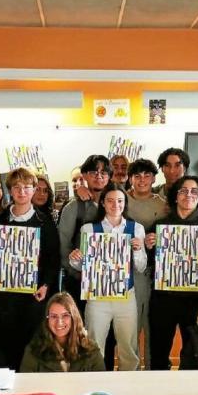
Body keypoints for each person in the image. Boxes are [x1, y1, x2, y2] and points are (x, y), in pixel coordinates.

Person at [0, 168, 60, 370]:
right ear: (9, 190)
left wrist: (46, 285)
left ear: (34, 189)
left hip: (33, 295)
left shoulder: (45, 222)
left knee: (32, 345)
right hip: (4, 297)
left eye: (27, 187)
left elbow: (54, 259)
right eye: (16, 187)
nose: (21, 192)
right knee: (6, 345)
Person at [146, 175, 198, 370]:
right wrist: (147, 246)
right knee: (159, 351)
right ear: (175, 196)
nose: (189, 195)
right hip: (163, 298)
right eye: (184, 191)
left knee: (192, 352)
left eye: (194, 191)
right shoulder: (160, 225)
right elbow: (147, 263)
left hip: (196, 299)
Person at [69, 184, 146, 371]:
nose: (115, 205)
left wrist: (137, 251)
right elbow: (83, 265)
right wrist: (75, 259)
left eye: (120, 201)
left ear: (125, 203)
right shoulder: (89, 229)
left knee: (129, 348)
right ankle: (94, 389)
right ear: (103, 203)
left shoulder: (136, 229)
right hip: (97, 297)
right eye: (110, 200)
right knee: (94, 347)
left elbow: (141, 267)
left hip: (126, 296)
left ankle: (129, 387)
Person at [125, 158, 167, 369]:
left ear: (153, 178)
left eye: (147, 175)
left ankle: (151, 370)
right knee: (130, 325)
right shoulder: (121, 199)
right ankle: (131, 369)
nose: (142, 180)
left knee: (151, 324)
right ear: (130, 178)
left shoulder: (162, 204)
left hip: (153, 270)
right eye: (137, 176)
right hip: (122, 271)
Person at [59, 155, 112, 314]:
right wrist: (77, 271)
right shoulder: (73, 207)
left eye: (104, 172)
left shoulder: (117, 203)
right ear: (84, 175)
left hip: (110, 281)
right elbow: (63, 244)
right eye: (93, 171)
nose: (99, 176)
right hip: (79, 281)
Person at [20, 292, 105, 372]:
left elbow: (101, 383)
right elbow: (25, 384)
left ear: (74, 318)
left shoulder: (90, 349)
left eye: (65, 315)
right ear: (47, 320)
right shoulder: (34, 350)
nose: (59, 322)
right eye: (53, 316)